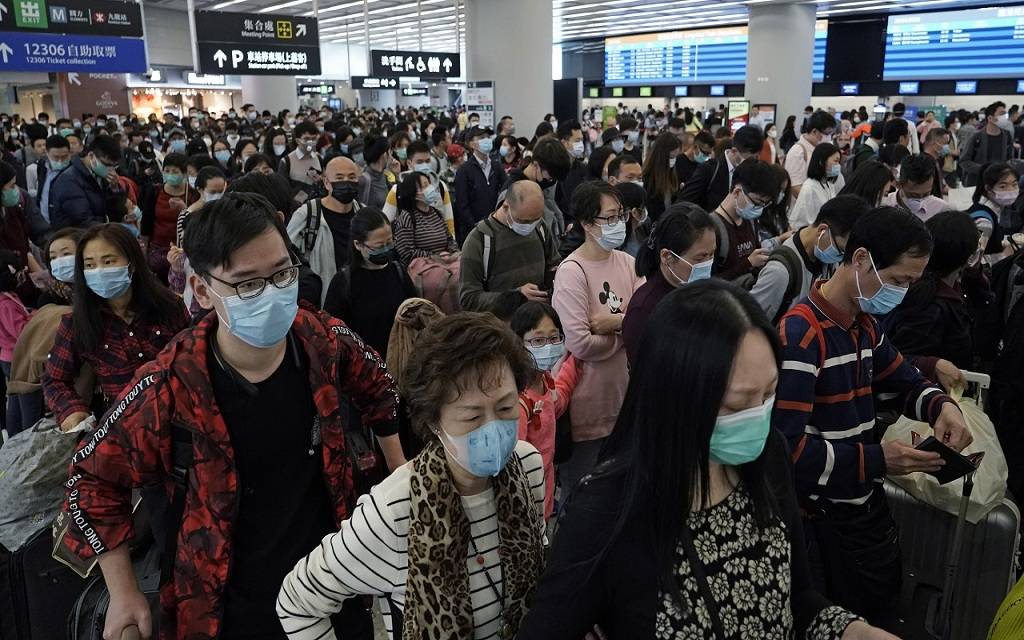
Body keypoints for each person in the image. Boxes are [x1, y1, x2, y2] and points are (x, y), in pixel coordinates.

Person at [62, 194, 399, 640]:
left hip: (333, 592)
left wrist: (400, 475)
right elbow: (90, 478)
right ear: (202, 290)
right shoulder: (170, 386)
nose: (272, 294)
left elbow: (381, 388)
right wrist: (123, 592)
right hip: (224, 607)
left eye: (282, 274)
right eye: (247, 284)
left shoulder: (322, 341)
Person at [519, 281, 896, 640]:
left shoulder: (769, 457)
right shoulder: (608, 510)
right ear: (674, 397)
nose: (758, 416)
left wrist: (851, 630)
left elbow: (798, 600)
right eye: (736, 404)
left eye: (769, 395)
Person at [277, 312, 545, 640]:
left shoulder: (527, 466)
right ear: (434, 422)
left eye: (505, 408)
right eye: (472, 417)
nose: (493, 428)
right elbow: (297, 602)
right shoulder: (395, 510)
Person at [773, 207, 971, 623]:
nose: (902, 292)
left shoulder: (864, 325)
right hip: (822, 523)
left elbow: (904, 379)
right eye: (898, 281)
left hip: (863, 509)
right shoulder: (802, 334)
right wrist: (879, 459)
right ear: (861, 259)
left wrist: (941, 406)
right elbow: (786, 451)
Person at [42, 224, 189, 432]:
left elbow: (197, 356)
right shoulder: (78, 323)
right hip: (125, 429)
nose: (99, 271)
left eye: (108, 261)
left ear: (132, 263)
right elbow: (54, 378)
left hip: (181, 419)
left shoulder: (169, 307)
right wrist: (72, 411)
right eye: (90, 265)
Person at [552, 180, 644, 493]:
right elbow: (579, 343)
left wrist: (613, 323)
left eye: (621, 215)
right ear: (588, 223)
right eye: (610, 217)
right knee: (583, 493)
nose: (619, 223)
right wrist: (626, 331)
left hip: (624, 397)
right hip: (588, 404)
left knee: (620, 489)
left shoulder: (629, 263)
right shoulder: (572, 271)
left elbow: (646, 322)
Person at [510, 301, 580, 520]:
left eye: (554, 338)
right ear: (518, 343)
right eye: (538, 340)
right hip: (527, 496)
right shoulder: (518, 401)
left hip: (546, 486)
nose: (548, 347)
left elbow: (556, 404)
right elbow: (515, 461)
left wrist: (575, 363)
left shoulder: (545, 379)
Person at [752, 195, 869, 325]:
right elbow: (751, 325)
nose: (841, 258)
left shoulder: (826, 259)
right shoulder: (780, 272)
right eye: (841, 250)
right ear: (822, 231)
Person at [884, 210, 979, 370]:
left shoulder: (944, 288)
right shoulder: (930, 305)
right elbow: (896, 359)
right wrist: (932, 365)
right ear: (969, 257)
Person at [622, 203, 715, 363]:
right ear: (667, 256)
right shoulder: (644, 310)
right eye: (700, 258)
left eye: (712, 255)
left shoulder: (704, 292)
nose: (707, 263)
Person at [323, 206, 416, 361]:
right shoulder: (343, 283)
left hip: (400, 360)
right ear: (358, 245)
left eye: (390, 243)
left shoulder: (398, 272)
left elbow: (416, 308)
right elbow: (332, 333)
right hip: (363, 366)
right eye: (379, 247)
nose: (386, 250)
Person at [459, 180, 559, 312]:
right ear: (505, 207)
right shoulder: (480, 240)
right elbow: (468, 299)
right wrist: (515, 297)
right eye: (524, 221)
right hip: (500, 321)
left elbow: (553, 265)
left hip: (539, 316)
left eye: (536, 219)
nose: (530, 225)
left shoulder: (540, 227)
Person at [286, 156, 362, 302]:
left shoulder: (362, 213)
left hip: (358, 298)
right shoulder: (307, 215)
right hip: (323, 300)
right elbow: (288, 257)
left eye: (352, 177)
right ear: (327, 183)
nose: (346, 182)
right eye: (339, 178)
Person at [709, 158, 775, 281]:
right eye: (757, 203)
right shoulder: (712, 228)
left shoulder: (750, 220)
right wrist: (748, 264)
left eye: (764, 205)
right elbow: (706, 283)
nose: (759, 209)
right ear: (737, 192)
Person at [678, 125, 764, 212]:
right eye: (749, 159)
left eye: (755, 158)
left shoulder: (749, 174)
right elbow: (682, 204)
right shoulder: (709, 170)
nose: (751, 164)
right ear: (734, 151)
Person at [382, 140, 455, 237]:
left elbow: (449, 219)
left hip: (440, 242)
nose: (425, 165)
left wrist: (452, 241)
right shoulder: (397, 190)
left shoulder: (440, 186)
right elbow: (385, 223)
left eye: (428, 161)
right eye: (419, 162)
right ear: (409, 163)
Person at [501, 137, 571, 237]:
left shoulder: (547, 182)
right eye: (550, 176)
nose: (551, 180)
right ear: (536, 165)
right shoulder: (512, 189)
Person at [49, 135, 123, 230]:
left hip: (99, 230)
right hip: (77, 235)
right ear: (91, 156)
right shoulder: (69, 180)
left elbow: (116, 210)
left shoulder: (101, 175)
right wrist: (109, 231)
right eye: (106, 164)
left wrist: (115, 189)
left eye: (114, 166)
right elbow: (83, 220)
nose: (111, 169)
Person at [392, 170, 459, 265]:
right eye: (425, 185)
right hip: (425, 264)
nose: (431, 188)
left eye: (429, 184)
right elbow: (406, 252)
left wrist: (453, 253)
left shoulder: (436, 213)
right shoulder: (407, 217)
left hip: (447, 260)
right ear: (414, 192)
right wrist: (434, 256)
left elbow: (450, 240)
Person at [0, 161, 48, 277]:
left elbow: (37, 231)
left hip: (22, 276)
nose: (16, 190)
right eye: (12, 186)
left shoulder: (14, 208)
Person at [969, 162, 1019, 262]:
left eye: (1014, 184)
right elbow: (972, 261)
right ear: (988, 188)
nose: (1011, 190)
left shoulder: (993, 210)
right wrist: (1003, 255)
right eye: (1003, 186)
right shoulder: (984, 222)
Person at [788, 143, 845, 229]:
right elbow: (797, 224)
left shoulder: (829, 184)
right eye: (835, 161)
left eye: (839, 162)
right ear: (821, 162)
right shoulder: (809, 188)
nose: (838, 166)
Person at [882, 154, 950, 223]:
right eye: (913, 195)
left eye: (926, 194)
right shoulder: (884, 206)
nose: (920, 200)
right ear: (899, 184)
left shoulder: (942, 210)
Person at [785, 110, 836, 199]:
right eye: (827, 134)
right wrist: (817, 201)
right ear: (814, 131)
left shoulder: (821, 149)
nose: (829, 138)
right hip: (805, 204)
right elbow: (795, 186)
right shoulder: (798, 152)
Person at [26, 133, 71, 223]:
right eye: (56, 157)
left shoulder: (73, 171)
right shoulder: (42, 165)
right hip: (43, 220)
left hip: (64, 223)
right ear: (47, 152)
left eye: (64, 157)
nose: (60, 161)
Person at [961, 101, 1015, 172]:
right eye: (1001, 114)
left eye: (1005, 114)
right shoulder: (976, 137)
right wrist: (983, 170)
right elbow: (964, 161)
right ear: (990, 118)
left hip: (1000, 177)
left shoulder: (1007, 135)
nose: (1004, 117)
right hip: (980, 177)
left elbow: (1010, 158)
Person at [642, 132, 684, 222]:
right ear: (661, 156)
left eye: (675, 157)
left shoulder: (673, 173)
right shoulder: (648, 178)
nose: (673, 161)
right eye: (671, 157)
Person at [280, 121, 323, 205]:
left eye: (313, 138)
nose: (311, 142)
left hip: (317, 205)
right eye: (306, 139)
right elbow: (282, 191)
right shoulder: (287, 161)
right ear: (298, 141)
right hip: (296, 207)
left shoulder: (318, 157)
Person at [37, 227, 81, 307]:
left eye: (66, 254)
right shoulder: (49, 300)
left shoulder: (100, 289)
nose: (59, 261)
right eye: (53, 257)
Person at [358, 135, 395, 210]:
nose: (392, 158)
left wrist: (396, 174)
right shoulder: (363, 180)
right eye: (390, 154)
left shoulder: (384, 175)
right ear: (385, 155)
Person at [921, 127, 951, 198]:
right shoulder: (924, 164)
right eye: (945, 143)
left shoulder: (936, 161)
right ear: (934, 144)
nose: (947, 147)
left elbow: (939, 185)